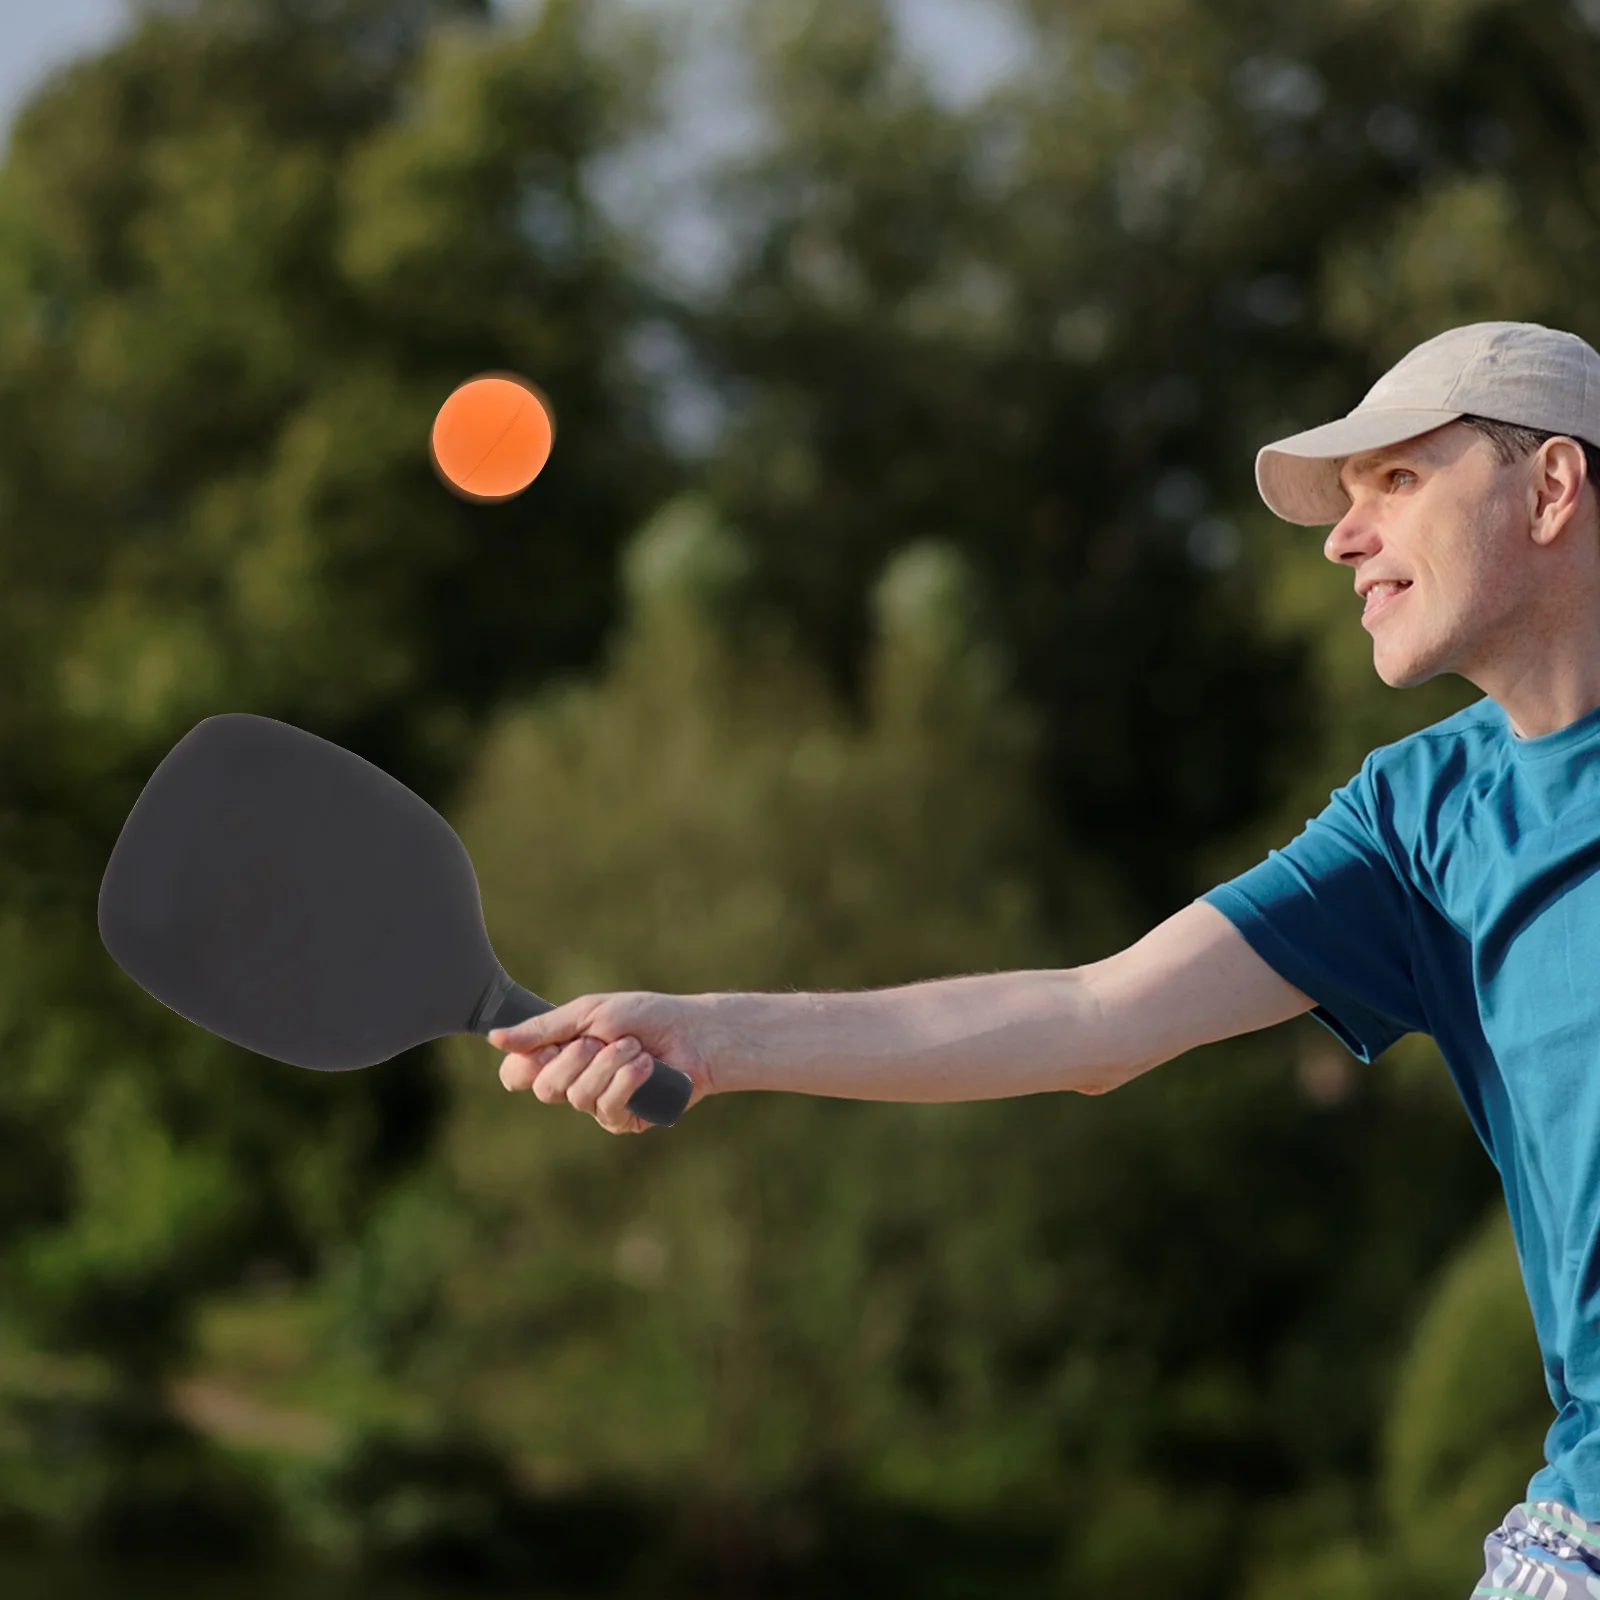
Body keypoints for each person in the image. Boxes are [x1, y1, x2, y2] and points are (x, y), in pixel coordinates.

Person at [489, 320, 1600, 1597]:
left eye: (1397, 482)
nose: (1345, 540)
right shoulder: (1421, 818)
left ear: (1552, 486)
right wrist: (710, 1034)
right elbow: (1093, 1015)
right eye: (1345, 502)